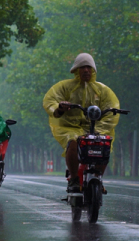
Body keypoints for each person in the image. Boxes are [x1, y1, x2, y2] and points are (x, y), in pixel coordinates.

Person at [42, 52, 120, 193]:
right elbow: (50, 100)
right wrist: (59, 107)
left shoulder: (102, 90)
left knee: (104, 144)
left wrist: (100, 129)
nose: (86, 70)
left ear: (93, 70)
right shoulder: (65, 87)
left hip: (95, 129)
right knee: (72, 142)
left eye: (89, 67)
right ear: (76, 70)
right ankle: (73, 179)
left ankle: (98, 177)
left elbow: (112, 109)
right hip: (69, 128)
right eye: (82, 67)